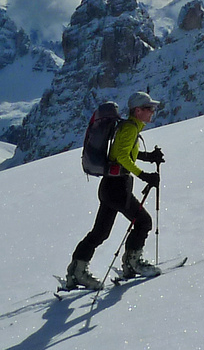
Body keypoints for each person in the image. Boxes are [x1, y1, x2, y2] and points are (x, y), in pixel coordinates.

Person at [64, 90, 164, 289]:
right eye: (148, 108)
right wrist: (145, 175)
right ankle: (132, 264)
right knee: (144, 222)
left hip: (110, 187)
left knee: (100, 232)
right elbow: (122, 157)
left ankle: (76, 271)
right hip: (117, 188)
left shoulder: (129, 127)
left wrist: (148, 156)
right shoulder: (129, 129)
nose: (152, 111)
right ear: (137, 111)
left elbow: (122, 152)